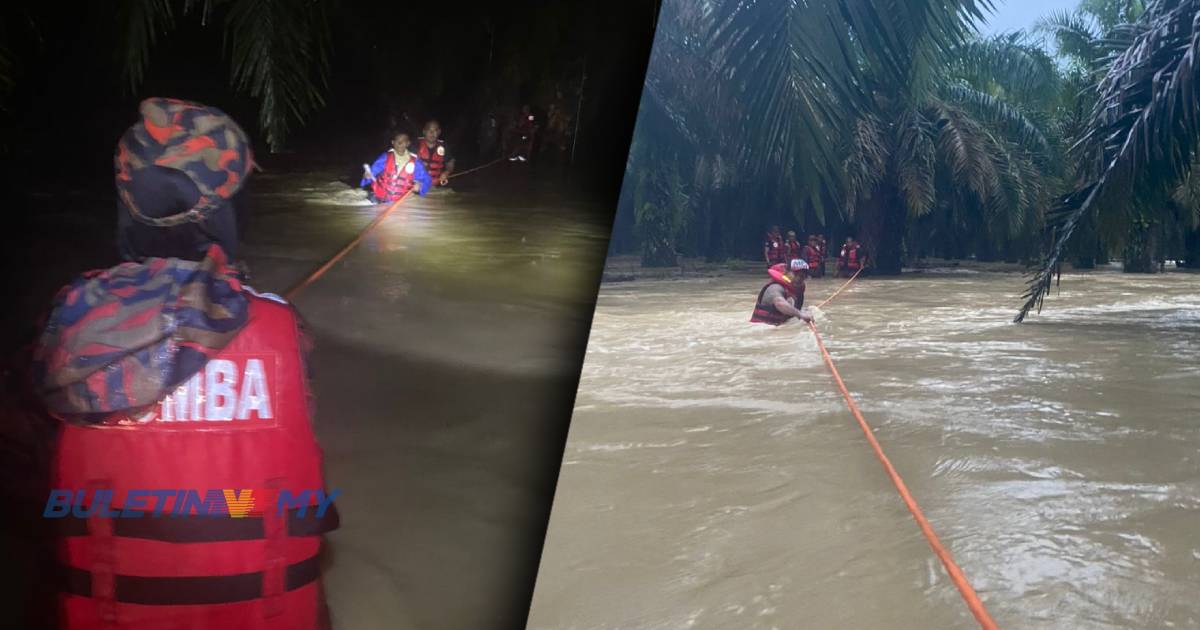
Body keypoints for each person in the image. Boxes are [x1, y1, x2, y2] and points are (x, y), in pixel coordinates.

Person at [34, 98, 337, 630]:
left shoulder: (60, 328)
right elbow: (276, 496)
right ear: (231, 207)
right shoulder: (286, 329)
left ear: (127, 204)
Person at [362, 132, 433, 203]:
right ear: (393, 142)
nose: (400, 143)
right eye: (397, 141)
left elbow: (427, 179)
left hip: (401, 201)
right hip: (378, 197)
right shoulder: (385, 157)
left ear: (408, 143)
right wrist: (367, 176)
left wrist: (420, 186)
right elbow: (372, 173)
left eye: (403, 141)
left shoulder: (415, 162)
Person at [750, 258, 814, 325]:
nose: (799, 278)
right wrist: (800, 314)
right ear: (786, 271)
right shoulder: (775, 287)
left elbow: (796, 310)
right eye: (796, 274)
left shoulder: (798, 292)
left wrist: (804, 312)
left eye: (803, 276)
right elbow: (779, 303)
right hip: (763, 329)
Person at [415, 120, 456, 186]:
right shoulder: (415, 144)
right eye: (429, 130)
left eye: (435, 130)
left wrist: (446, 172)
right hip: (417, 184)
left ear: (439, 132)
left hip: (436, 184)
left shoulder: (444, 146)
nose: (432, 133)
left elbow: (450, 162)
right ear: (424, 131)